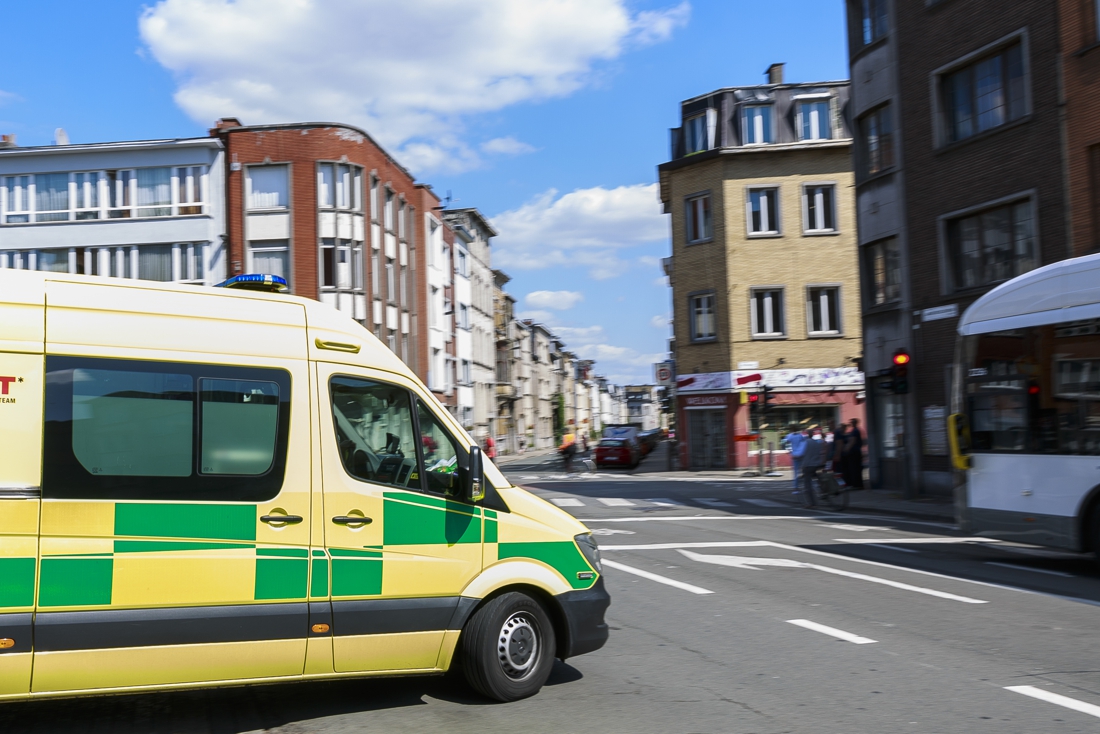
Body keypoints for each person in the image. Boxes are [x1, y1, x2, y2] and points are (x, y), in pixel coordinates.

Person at [800, 427, 826, 507]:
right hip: (816, 464)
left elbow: (801, 453)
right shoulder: (817, 443)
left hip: (808, 465)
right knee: (818, 479)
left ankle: (811, 503)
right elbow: (820, 453)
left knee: (808, 484)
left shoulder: (805, 442)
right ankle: (823, 492)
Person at [841, 418, 865, 489]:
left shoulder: (855, 431)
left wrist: (846, 449)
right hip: (856, 452)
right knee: (856, 468)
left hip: (854, 452)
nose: (850, 424)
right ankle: (858, 484)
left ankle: (857, 485)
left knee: (855, 469)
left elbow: (852, 441)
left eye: (851, 422)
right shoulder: (855, 430)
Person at [783, 423, 807, 491]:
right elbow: (805, 444)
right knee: (804, 470)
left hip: (794, 456)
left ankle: (796, 487)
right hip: (802, 455)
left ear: (791, 429)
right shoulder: (801, 436)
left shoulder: (789, 436)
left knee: (796, 472)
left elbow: (784, 443)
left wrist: (790, 452)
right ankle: (805, 485)